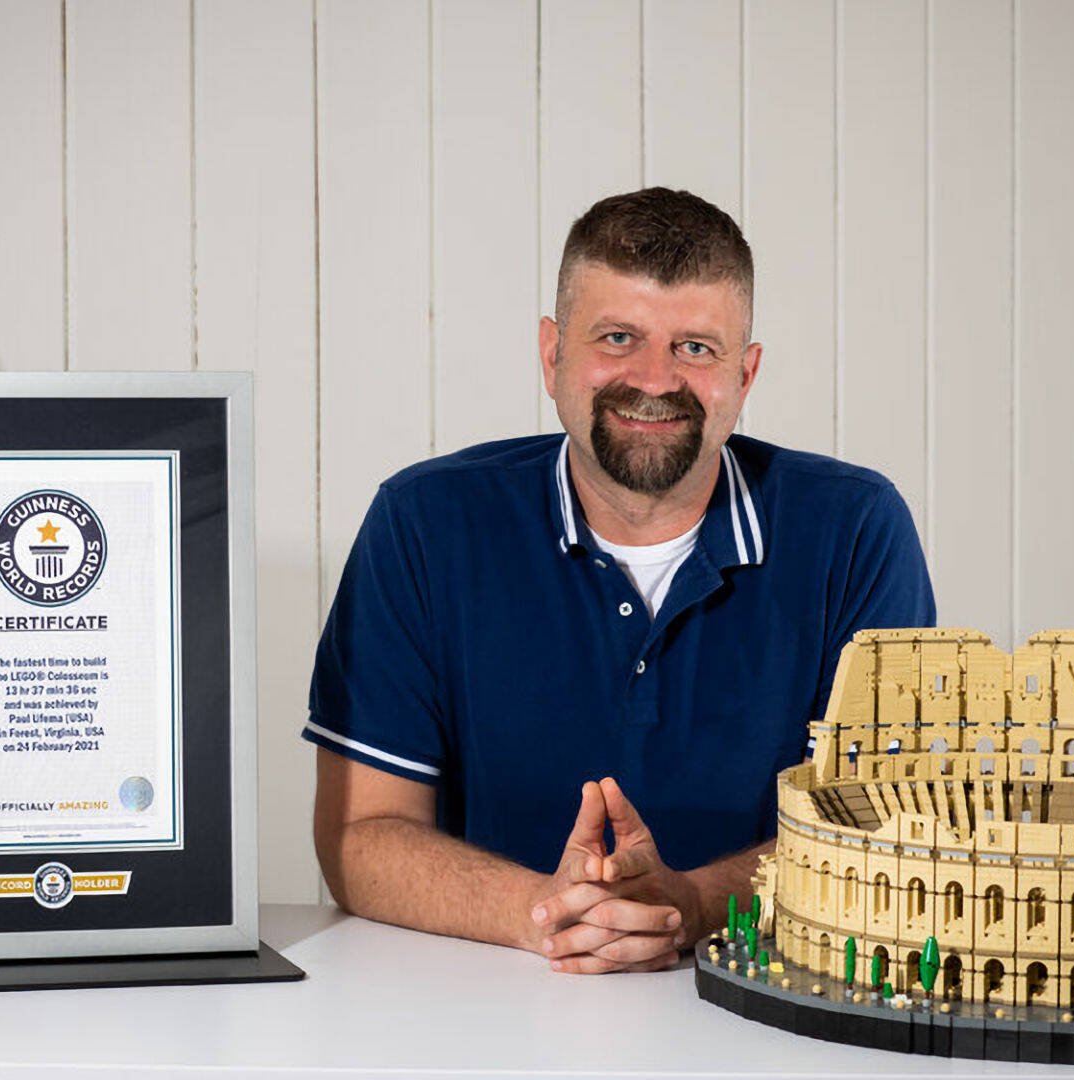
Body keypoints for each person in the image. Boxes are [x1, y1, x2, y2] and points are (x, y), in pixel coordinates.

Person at [305, 187, 934, 974]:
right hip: (481, 1003)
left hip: (767, 1004)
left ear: (746, 374)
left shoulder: (857, 529)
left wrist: (695, 905)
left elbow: (888, 824)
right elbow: (359, 835)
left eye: (695, 348)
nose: (655, 378)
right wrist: (546, 913)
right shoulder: (424, 521)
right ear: (551, 355)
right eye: (618, 337)